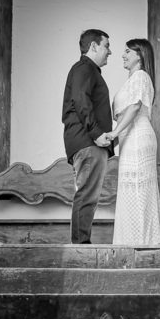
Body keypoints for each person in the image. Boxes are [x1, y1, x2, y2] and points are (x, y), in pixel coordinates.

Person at [98, 38, 160, 245]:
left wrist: (114, 133)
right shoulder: (131, 80)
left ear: (140, 55)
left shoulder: (141, 76)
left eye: (128, 51)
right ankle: (130, 242)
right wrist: (113, 141)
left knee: (138, 189)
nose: (123, 55)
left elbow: (135, 107)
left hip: (138, 137)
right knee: (130, 190)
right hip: (128, 139)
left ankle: (143, 243)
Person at [62, 29, 114, 244]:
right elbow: (80, 100)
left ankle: (81, 244)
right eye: (106, 46)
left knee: (88, 195)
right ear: (93, 46)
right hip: (88, 141)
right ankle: (80, 247)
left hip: (87, 141)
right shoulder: (85, 68)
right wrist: (96, 134)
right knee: (86, 195)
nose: (109, 52)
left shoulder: (88, 70)